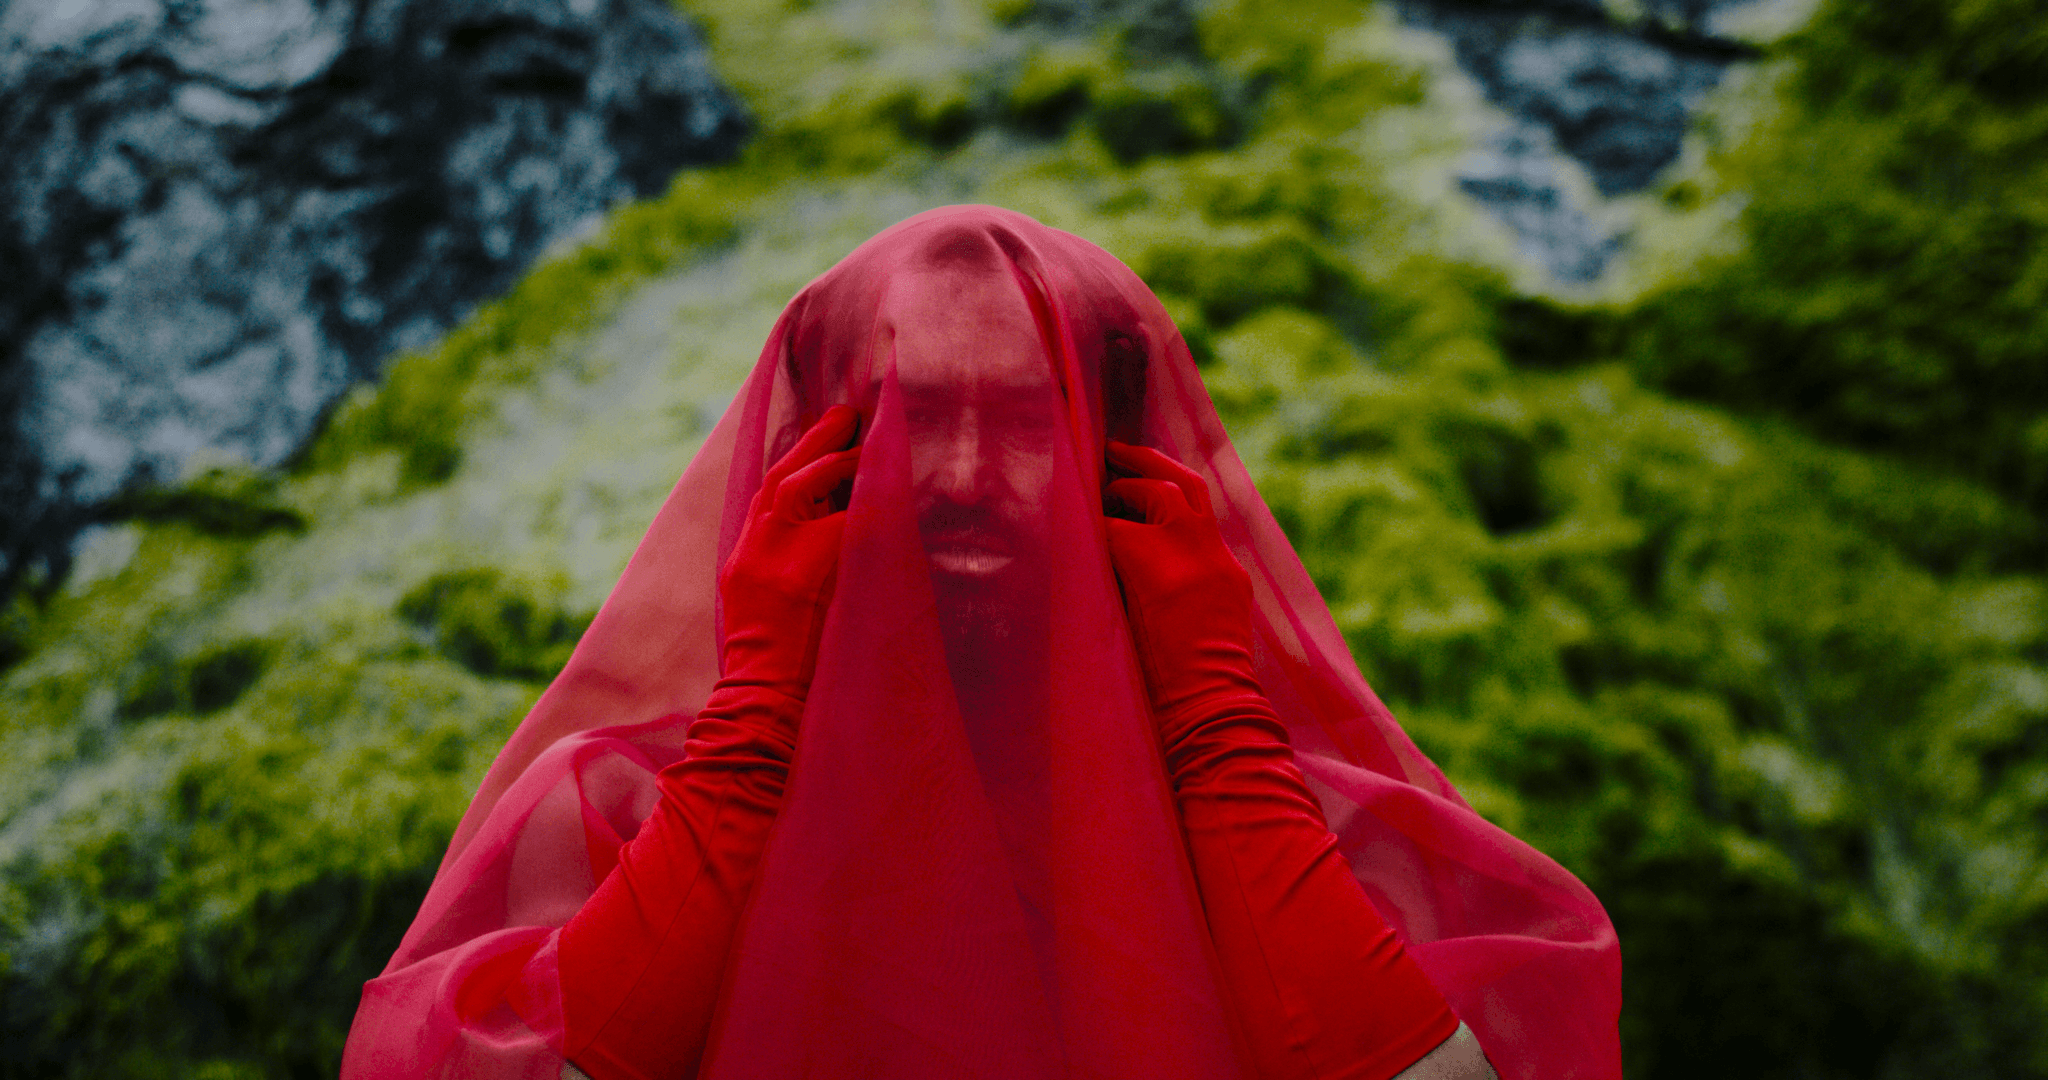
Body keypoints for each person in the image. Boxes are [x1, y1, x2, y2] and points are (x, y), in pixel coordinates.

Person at [341, 206, 1621, 1080]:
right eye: (905, 418)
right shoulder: (616, 814)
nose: (957, 477)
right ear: (802, 455)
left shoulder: (1314, 833)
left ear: (1126, 460)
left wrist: (1218, 743)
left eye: (1021, 418)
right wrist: (745, 751)